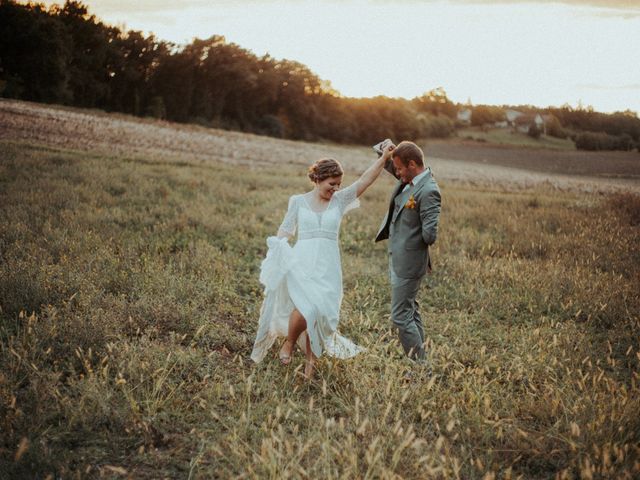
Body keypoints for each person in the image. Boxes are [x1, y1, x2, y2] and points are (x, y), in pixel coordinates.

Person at [251, 143, 395, 378]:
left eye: (339, 184)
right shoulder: (297, 201)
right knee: (305, 307)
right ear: (318, 178)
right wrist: (277, 248)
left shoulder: (339, 201)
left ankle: (310, 368)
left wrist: (383, 159)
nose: (336, 188)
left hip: (328, 266)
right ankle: (288, 342)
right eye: (332, 184)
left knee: (321, 313)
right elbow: (286, 229)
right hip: (302, 262)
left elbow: (365, 181)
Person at [375, 141, 441, 367]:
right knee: (410, 311)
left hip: (410, 263)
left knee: (400, 316)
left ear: (412, 164)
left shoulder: (429, 190)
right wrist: (386, 148)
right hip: (398, 258)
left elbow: (430, 235)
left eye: (400, 168)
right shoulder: (410, 180)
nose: (397, 173)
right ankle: (421, 363)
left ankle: (420, 367)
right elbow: (390, 164)